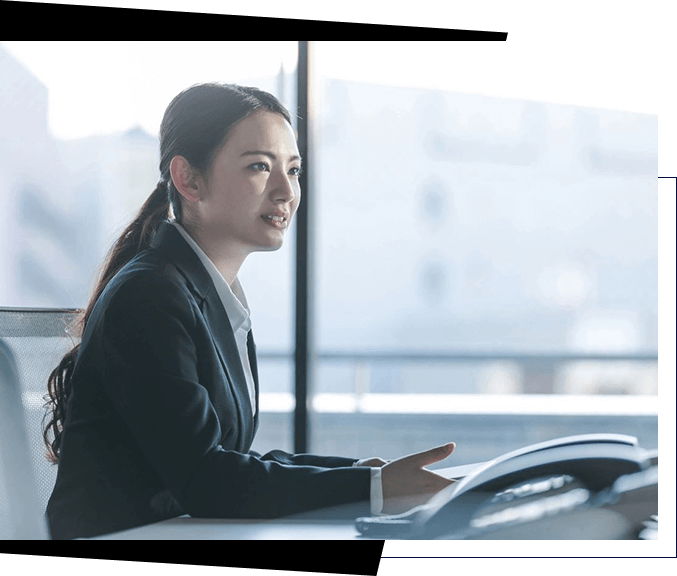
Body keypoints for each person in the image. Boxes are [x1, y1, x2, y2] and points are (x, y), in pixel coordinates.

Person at [43, 82, 456, 540]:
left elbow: (228, 462)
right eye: (260, 166)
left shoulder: (211, 293)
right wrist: (374, 488)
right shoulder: (149, 296)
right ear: (189, 179)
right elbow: (207, 478)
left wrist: (364, 473)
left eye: (294, 170)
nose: (286, 191)